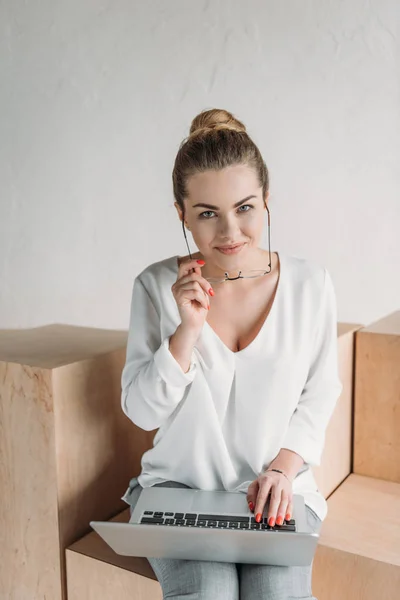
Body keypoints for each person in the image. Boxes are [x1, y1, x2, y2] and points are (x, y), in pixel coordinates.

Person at [120, 108, 343, 599]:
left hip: (276, 489)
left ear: (266, 200)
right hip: (179, 489)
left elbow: (321, 389)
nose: (229, 233)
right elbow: (140, 411)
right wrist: (187, 330)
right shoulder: (157, 286)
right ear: (181, 213)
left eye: (244, 207)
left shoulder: (310, 284)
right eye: (206, 214)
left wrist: (284, 468)